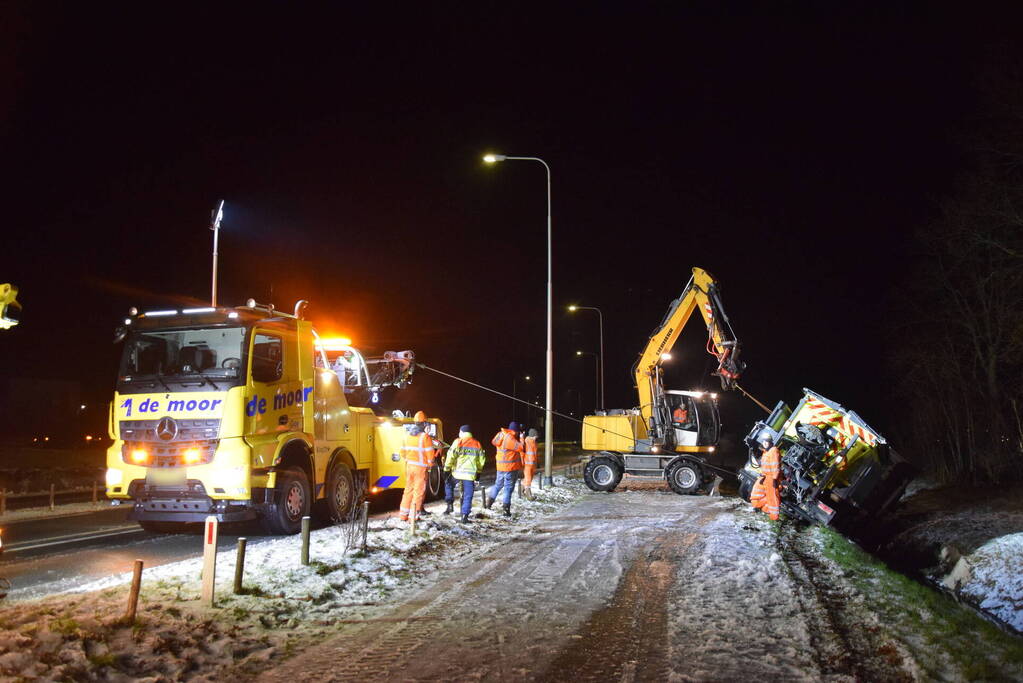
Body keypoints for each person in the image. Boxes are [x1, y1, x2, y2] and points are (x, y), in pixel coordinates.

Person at [397, 412, 437, 522]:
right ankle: (413, 517)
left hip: (409, 467)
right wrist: (430, 465)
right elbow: (430, 455)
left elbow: (402, 452)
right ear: (424, 423)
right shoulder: (425, 437)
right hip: (420, 469)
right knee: (418, 492)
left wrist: (409, 460)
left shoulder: (406, 435)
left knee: (408, 490)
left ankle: (403, 515)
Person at [443, 425, 486, 523]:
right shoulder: (477, 444)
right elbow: (481, 461)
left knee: (448, 484)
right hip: (469, 476)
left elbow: (450, 456)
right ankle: (465, 516)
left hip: (456, 473)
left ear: (462, 432)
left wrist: (446, 469)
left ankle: (449, 505)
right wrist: (478, 474)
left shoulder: (458, 442)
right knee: (468, 495)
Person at [485, 421, 523, 516]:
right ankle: (506, 510)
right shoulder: (510, 438)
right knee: (508, 488)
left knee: (498, 485)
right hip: (509, 468)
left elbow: (494, 442)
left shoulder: (501, 434)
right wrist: (522, 438)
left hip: (500, 466)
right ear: (515, 431)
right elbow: (521, 447)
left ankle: (488, 503)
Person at [751, 436, 781, 521]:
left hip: (771, 478)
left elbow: (775, 466)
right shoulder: (766, 452)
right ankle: (764, 509)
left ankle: (774, 518)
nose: (764, 443)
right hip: (765, 477)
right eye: (763, 441)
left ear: (771, 442)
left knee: (773, 499)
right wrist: (763, 476)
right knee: (756, 496)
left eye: (766, 441)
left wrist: (774, 479)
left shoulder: (773, 451)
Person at [521, 428, 539, 499]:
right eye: (535, 436)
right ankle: (529, 495)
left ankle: (521, 490)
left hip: (532, 464)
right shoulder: (527, 442)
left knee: (529, 478)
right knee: (528, 478)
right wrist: (521, 437)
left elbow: (535, 454)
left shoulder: (534, 443)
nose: (536, 438)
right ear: (532, 436)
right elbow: (522, 446)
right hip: (527, 464)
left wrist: (537, 463)